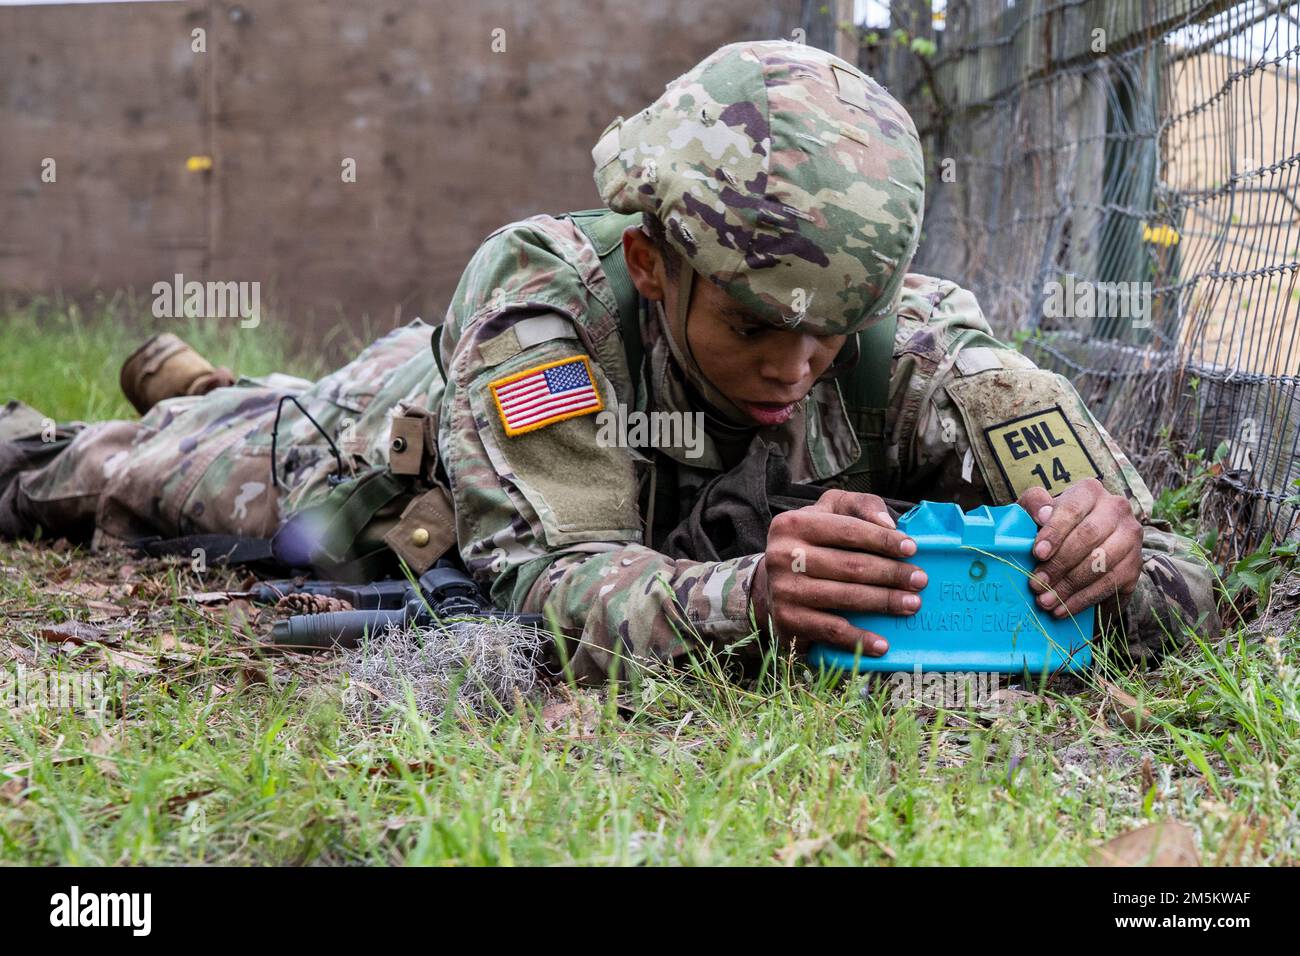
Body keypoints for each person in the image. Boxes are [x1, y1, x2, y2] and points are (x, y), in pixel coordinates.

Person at [1, 41, 1219, 684]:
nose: (796, 367)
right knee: (115, 473)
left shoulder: (927, 349)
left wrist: (1107, 558)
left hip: (497, 430)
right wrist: (744, 599)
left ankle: (203, 376)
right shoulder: (543, 306)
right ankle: (200, 406)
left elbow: (1174, 567)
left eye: (828, 328)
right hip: (403, 436)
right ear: (652, 264)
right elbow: (545, 572)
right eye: (752, 325)